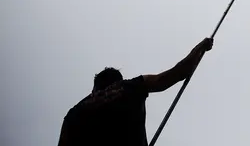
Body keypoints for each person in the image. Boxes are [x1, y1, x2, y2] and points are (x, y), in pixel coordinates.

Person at [57, 37, 214, 146]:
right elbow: (175, 74)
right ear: (118, 81)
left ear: (94, 89)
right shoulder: (129, 88)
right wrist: (200, 49)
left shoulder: (74, 114)